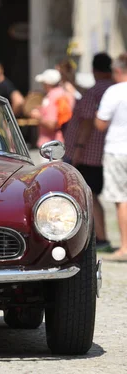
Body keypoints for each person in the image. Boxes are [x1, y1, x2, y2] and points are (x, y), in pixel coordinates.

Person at [63, 53, 114, 252]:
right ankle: (100, 236)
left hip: (88, 153)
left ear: (93, 70)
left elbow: (86, 122)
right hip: (101, 152)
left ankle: (101, 238)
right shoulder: (110, 88)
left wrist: (78, 150)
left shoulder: (94, 92)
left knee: (90, 194)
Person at [94, 53, 127, 261]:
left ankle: (125, 247)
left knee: (122, 199)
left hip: (118, 149)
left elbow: (100, 124)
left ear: (117, 70)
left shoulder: (113, 92)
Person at [30, 68, 72, 149]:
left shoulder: (53, 97)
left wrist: (38, 117)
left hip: (51, 146)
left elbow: (52, 124)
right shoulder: (60, 93)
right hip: (55, 143)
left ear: (47, 83)